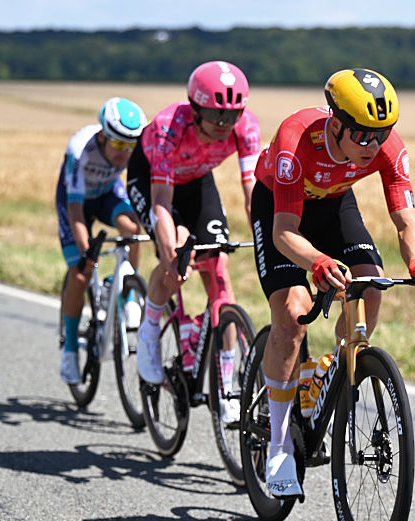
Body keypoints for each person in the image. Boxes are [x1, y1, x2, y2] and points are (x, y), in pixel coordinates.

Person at [251, 67, 415, 497]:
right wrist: (319, 261)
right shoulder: (295, 140)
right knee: (292, 314)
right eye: (363, 136)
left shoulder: (384, 146)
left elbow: (405, 217)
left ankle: (334, 368)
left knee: (372, 283)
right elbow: (284, 231)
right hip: (281, 208)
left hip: (334, 203)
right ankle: (280, 444)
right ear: (336, 124)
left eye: (383, 134)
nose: (373, 145)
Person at [128, 60, 262, 423]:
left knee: (219, 270)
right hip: (153, 181)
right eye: (215, 117)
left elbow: (252, 194)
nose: (223, 125)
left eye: (230, 116)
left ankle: (229, 390)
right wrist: (170, 250)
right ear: (196, 108)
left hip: (198, 182)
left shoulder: (245, 127)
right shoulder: (168, 128)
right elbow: (160, 203)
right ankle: (150, 330)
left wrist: (265, 239)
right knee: (174, 263)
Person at [58, 97, 148, 384]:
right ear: (102, 136)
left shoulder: (131, 150)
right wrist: (86, 254)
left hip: (107, 194)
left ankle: (128, 293)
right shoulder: (80, 150)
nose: (124, 154)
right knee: (81, 274)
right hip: (76, 202)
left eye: (129, 146)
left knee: (133, 231)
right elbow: (74, 211)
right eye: (118, 145)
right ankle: (70, 349)